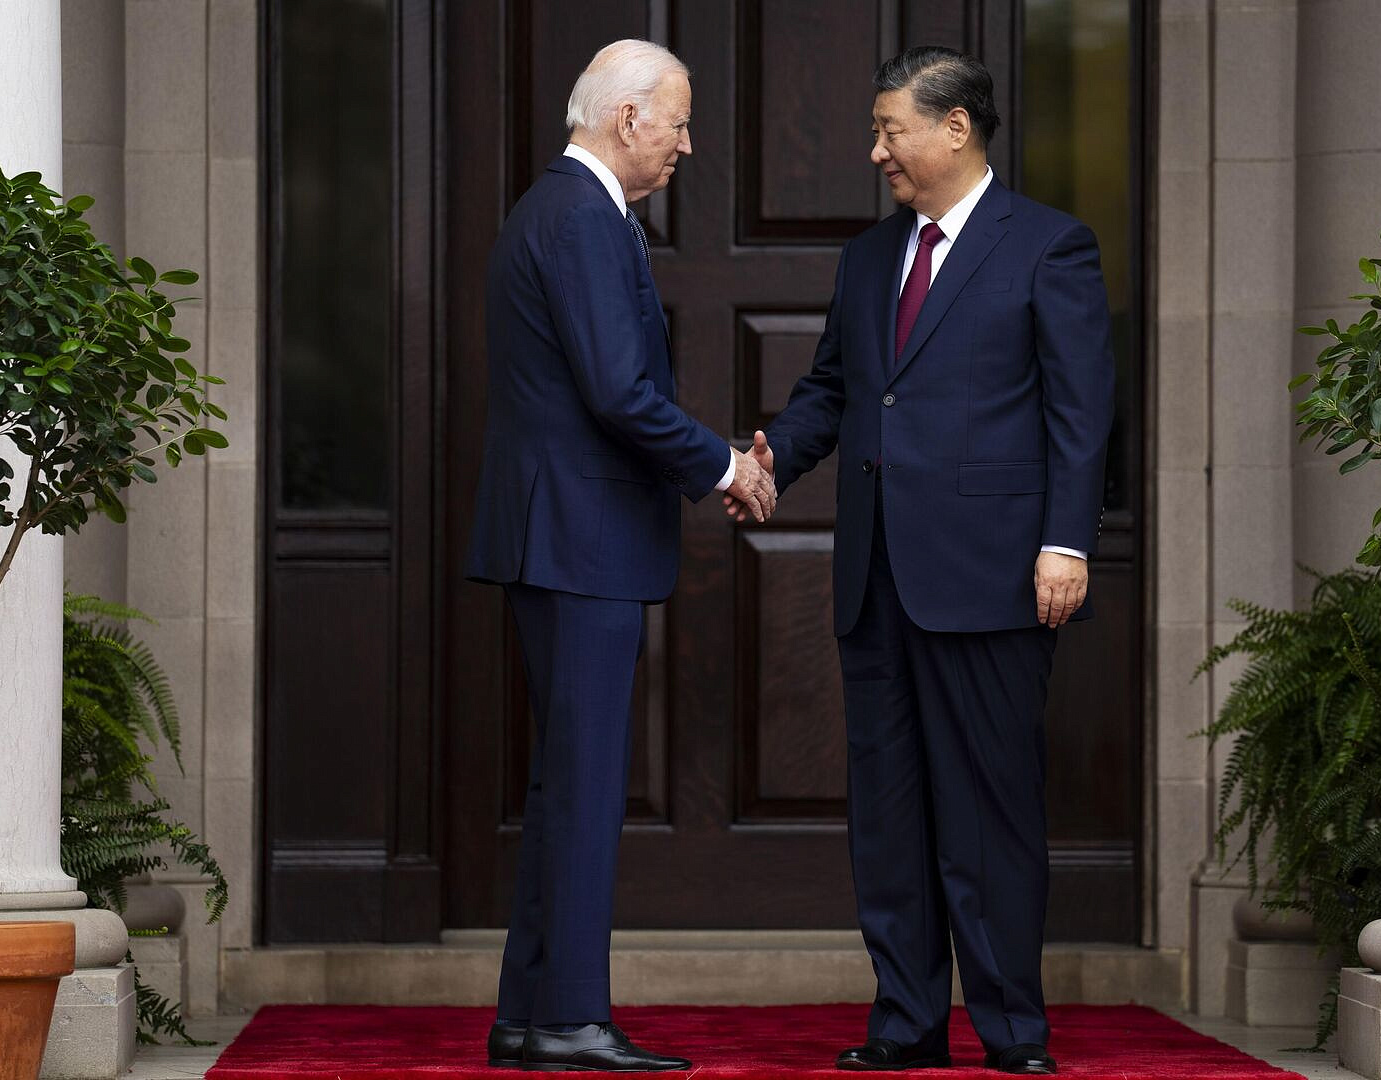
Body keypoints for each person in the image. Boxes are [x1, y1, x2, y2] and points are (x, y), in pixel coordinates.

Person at [735, 45, 1115, 1076]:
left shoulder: (1049, 246)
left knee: (990, 814)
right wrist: (769, 460)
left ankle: (1012, 1031)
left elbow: (1081, 413)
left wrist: (1066, 541)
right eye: (875, 131)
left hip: (995, 577)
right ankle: (904, 1024)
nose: (876, 151)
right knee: (890, 815)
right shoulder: (869, 258)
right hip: (877, 579)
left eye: (890, 130)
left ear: (956, 128)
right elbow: (834, 388)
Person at [463, 38, 776, 1073]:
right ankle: (570, 1020)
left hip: (563, 538)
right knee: (587, 786)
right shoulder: (581, 217)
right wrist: (725, 465)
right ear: (627, 117)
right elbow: (619, 393)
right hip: (578, 541)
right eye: (678, 122)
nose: (687, 144)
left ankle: (529, 1015)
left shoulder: (562, 209)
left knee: (568, 784)